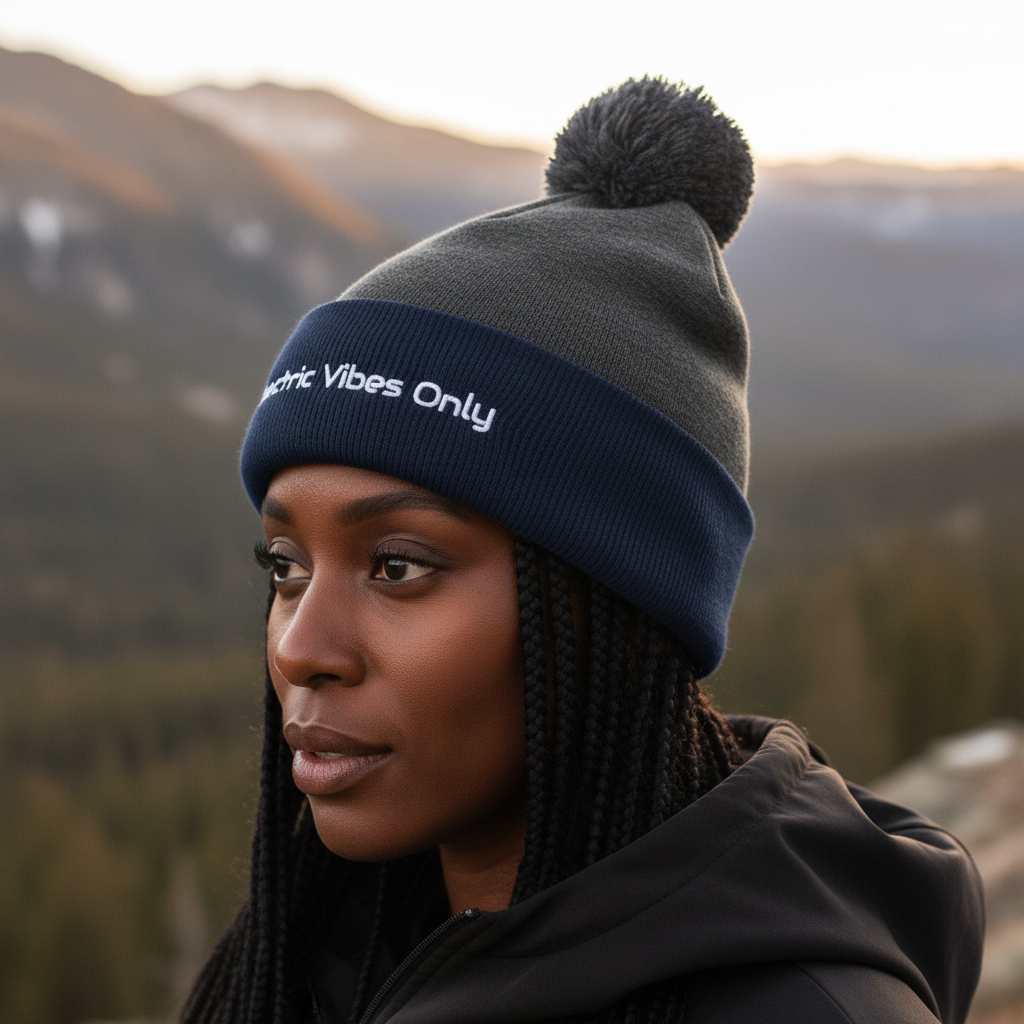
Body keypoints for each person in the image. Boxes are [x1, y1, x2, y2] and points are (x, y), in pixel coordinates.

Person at [184, 78, 984, 1024]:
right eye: (286, 567)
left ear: (608, 598)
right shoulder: (306, 955)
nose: (299, 648)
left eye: (397, 566)